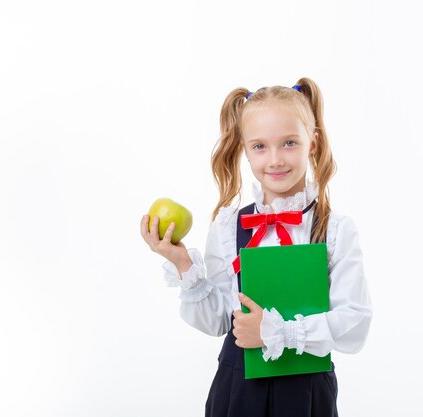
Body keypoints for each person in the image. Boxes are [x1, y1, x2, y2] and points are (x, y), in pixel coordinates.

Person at [140, 77, 373, 417]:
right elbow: (218, 320)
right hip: (238, 389)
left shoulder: (335, 229)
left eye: (289, 143)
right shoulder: (227, 225)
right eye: (260, 146)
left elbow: (355, 323)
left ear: (313, 143)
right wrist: (182, 264)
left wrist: (279, 332)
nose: (275, 159)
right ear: (245, 150)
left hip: (306, 391)